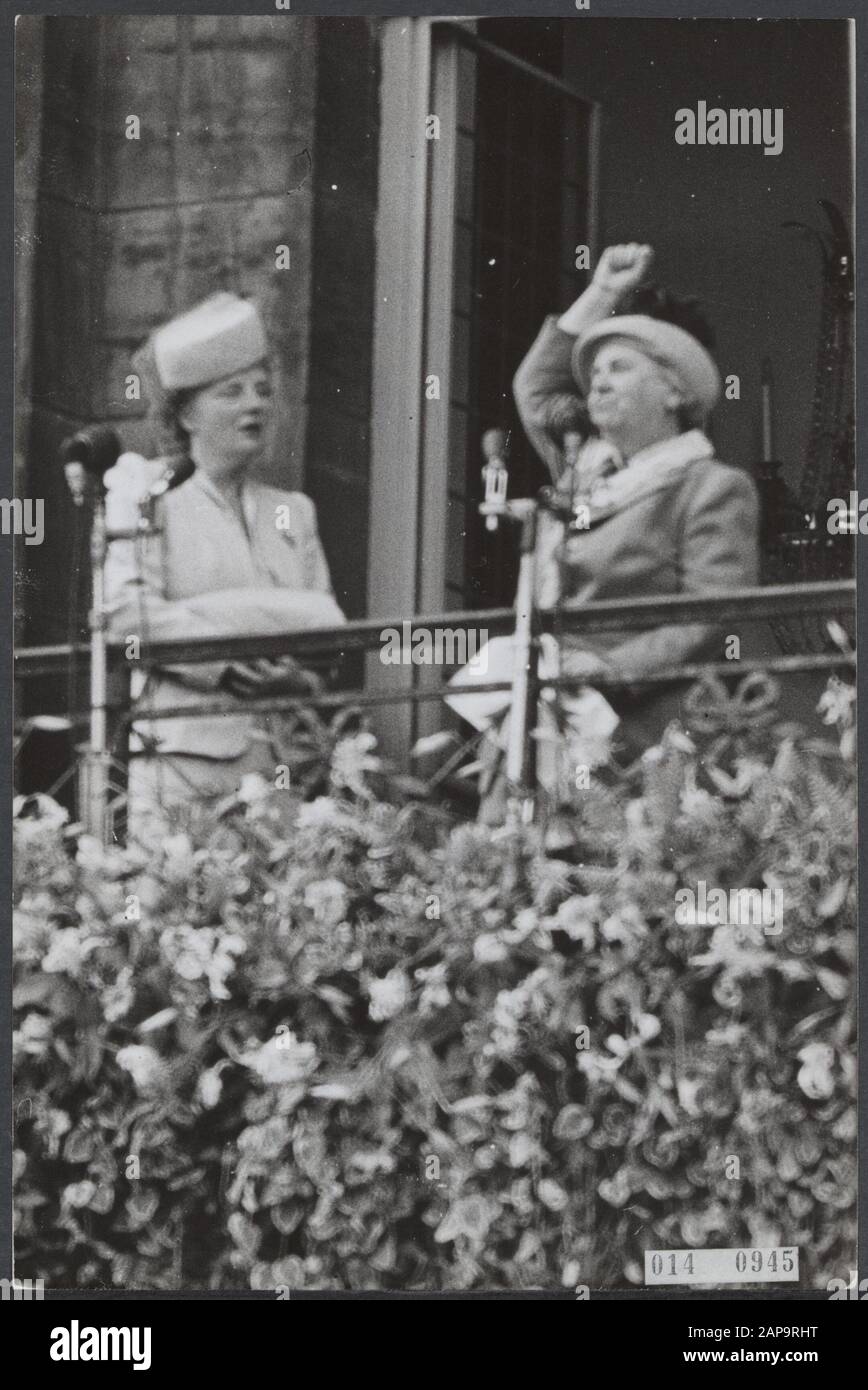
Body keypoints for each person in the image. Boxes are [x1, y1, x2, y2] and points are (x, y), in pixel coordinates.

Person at [449, 243, 762, 824]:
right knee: (515, 861)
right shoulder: (581, 472)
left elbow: (710, 611)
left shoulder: (711, 486)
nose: (597, 385)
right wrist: (603, 293)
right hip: (539, 714)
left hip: (639, 724)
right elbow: (537, 389)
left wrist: (611, 669)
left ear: (675, 393)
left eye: (619, 368)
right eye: (593, 374)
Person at [103, 292, 346, 841]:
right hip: (186, 769)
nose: (254, 404)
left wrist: (296, 678)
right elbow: (125, 617)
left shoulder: (294, 511)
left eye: (263, 390)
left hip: (287, 769)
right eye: (231, 392)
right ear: (186, 414)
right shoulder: (148, 498)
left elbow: (327, 632)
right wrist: (229, 663)